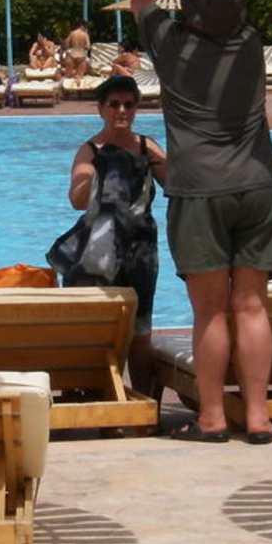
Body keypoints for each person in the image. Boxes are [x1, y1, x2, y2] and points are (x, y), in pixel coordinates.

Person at [131, 0, 272, 444]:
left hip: (199, 188)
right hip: (259, 183)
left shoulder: (171, 44)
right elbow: (216, 0)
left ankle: (214, 418)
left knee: (210, 310)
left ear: (189, 13)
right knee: (252, 305)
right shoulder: (249, 43)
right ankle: (259, 418)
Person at [49, 75, 167, 394]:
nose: (122, 111)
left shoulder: (147, 147)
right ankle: (90, 396)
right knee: (94, 330)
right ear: (101, 108)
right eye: (114, 104)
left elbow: (176, 184)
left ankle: (145, 403)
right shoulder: (90, 151)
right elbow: (77, 199)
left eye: (129, 104)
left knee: (141, 332)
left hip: (141, 252)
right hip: (98, 252)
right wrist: (89, 179)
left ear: (136, 108)